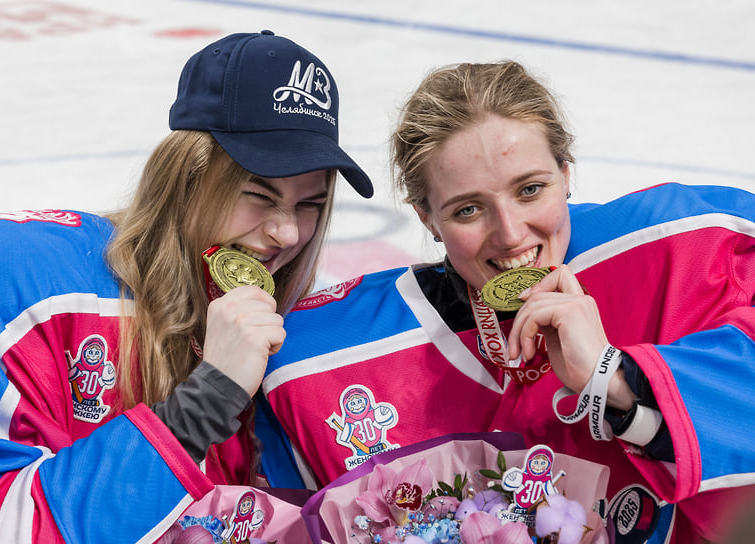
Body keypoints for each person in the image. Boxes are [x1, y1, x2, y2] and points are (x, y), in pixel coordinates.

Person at [258, 60, 755, 543]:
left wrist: (616, 378)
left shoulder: (693, 249)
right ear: (427, 218)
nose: (512, 234)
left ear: (566, 172)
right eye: (468, 209)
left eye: (531, 189)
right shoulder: (312, 360)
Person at [0, 30, 372, 543]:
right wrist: (204, 404)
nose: (289, 233)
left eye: (311, 204)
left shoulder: (293, 335)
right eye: (258, 194)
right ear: (184, 179)